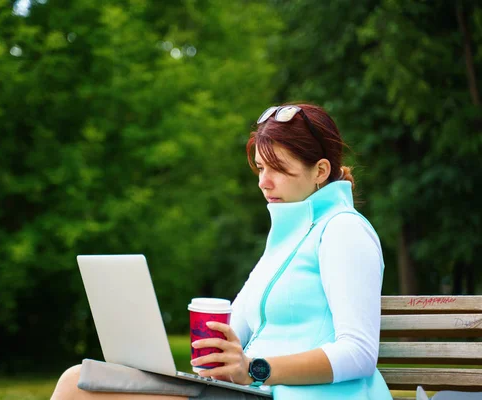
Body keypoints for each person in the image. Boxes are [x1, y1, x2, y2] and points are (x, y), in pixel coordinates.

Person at [51, 103, 393, 399]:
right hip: (251, 392)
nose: (263, 181)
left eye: (279, 168)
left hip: (297, 395)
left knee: (78, 388)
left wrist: (255, 369)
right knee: (79, 381)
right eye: (261, 167)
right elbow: (235, 329)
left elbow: (359, 353)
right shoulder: (289, 237)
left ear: (320, 171)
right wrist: (213, 354)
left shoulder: (344, 230)